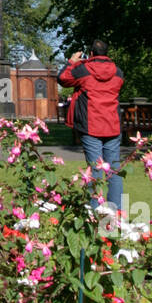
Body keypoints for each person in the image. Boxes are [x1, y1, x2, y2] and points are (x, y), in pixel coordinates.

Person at [58, 40, 124, 211]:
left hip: (91, 125)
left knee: (94, 170)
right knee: (114, 170)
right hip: (112, 125)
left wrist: (72, 61)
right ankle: (115, 211)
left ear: (92, 53)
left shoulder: (83, 70)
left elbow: (63, 79)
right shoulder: (118, 72)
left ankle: (93, 211)